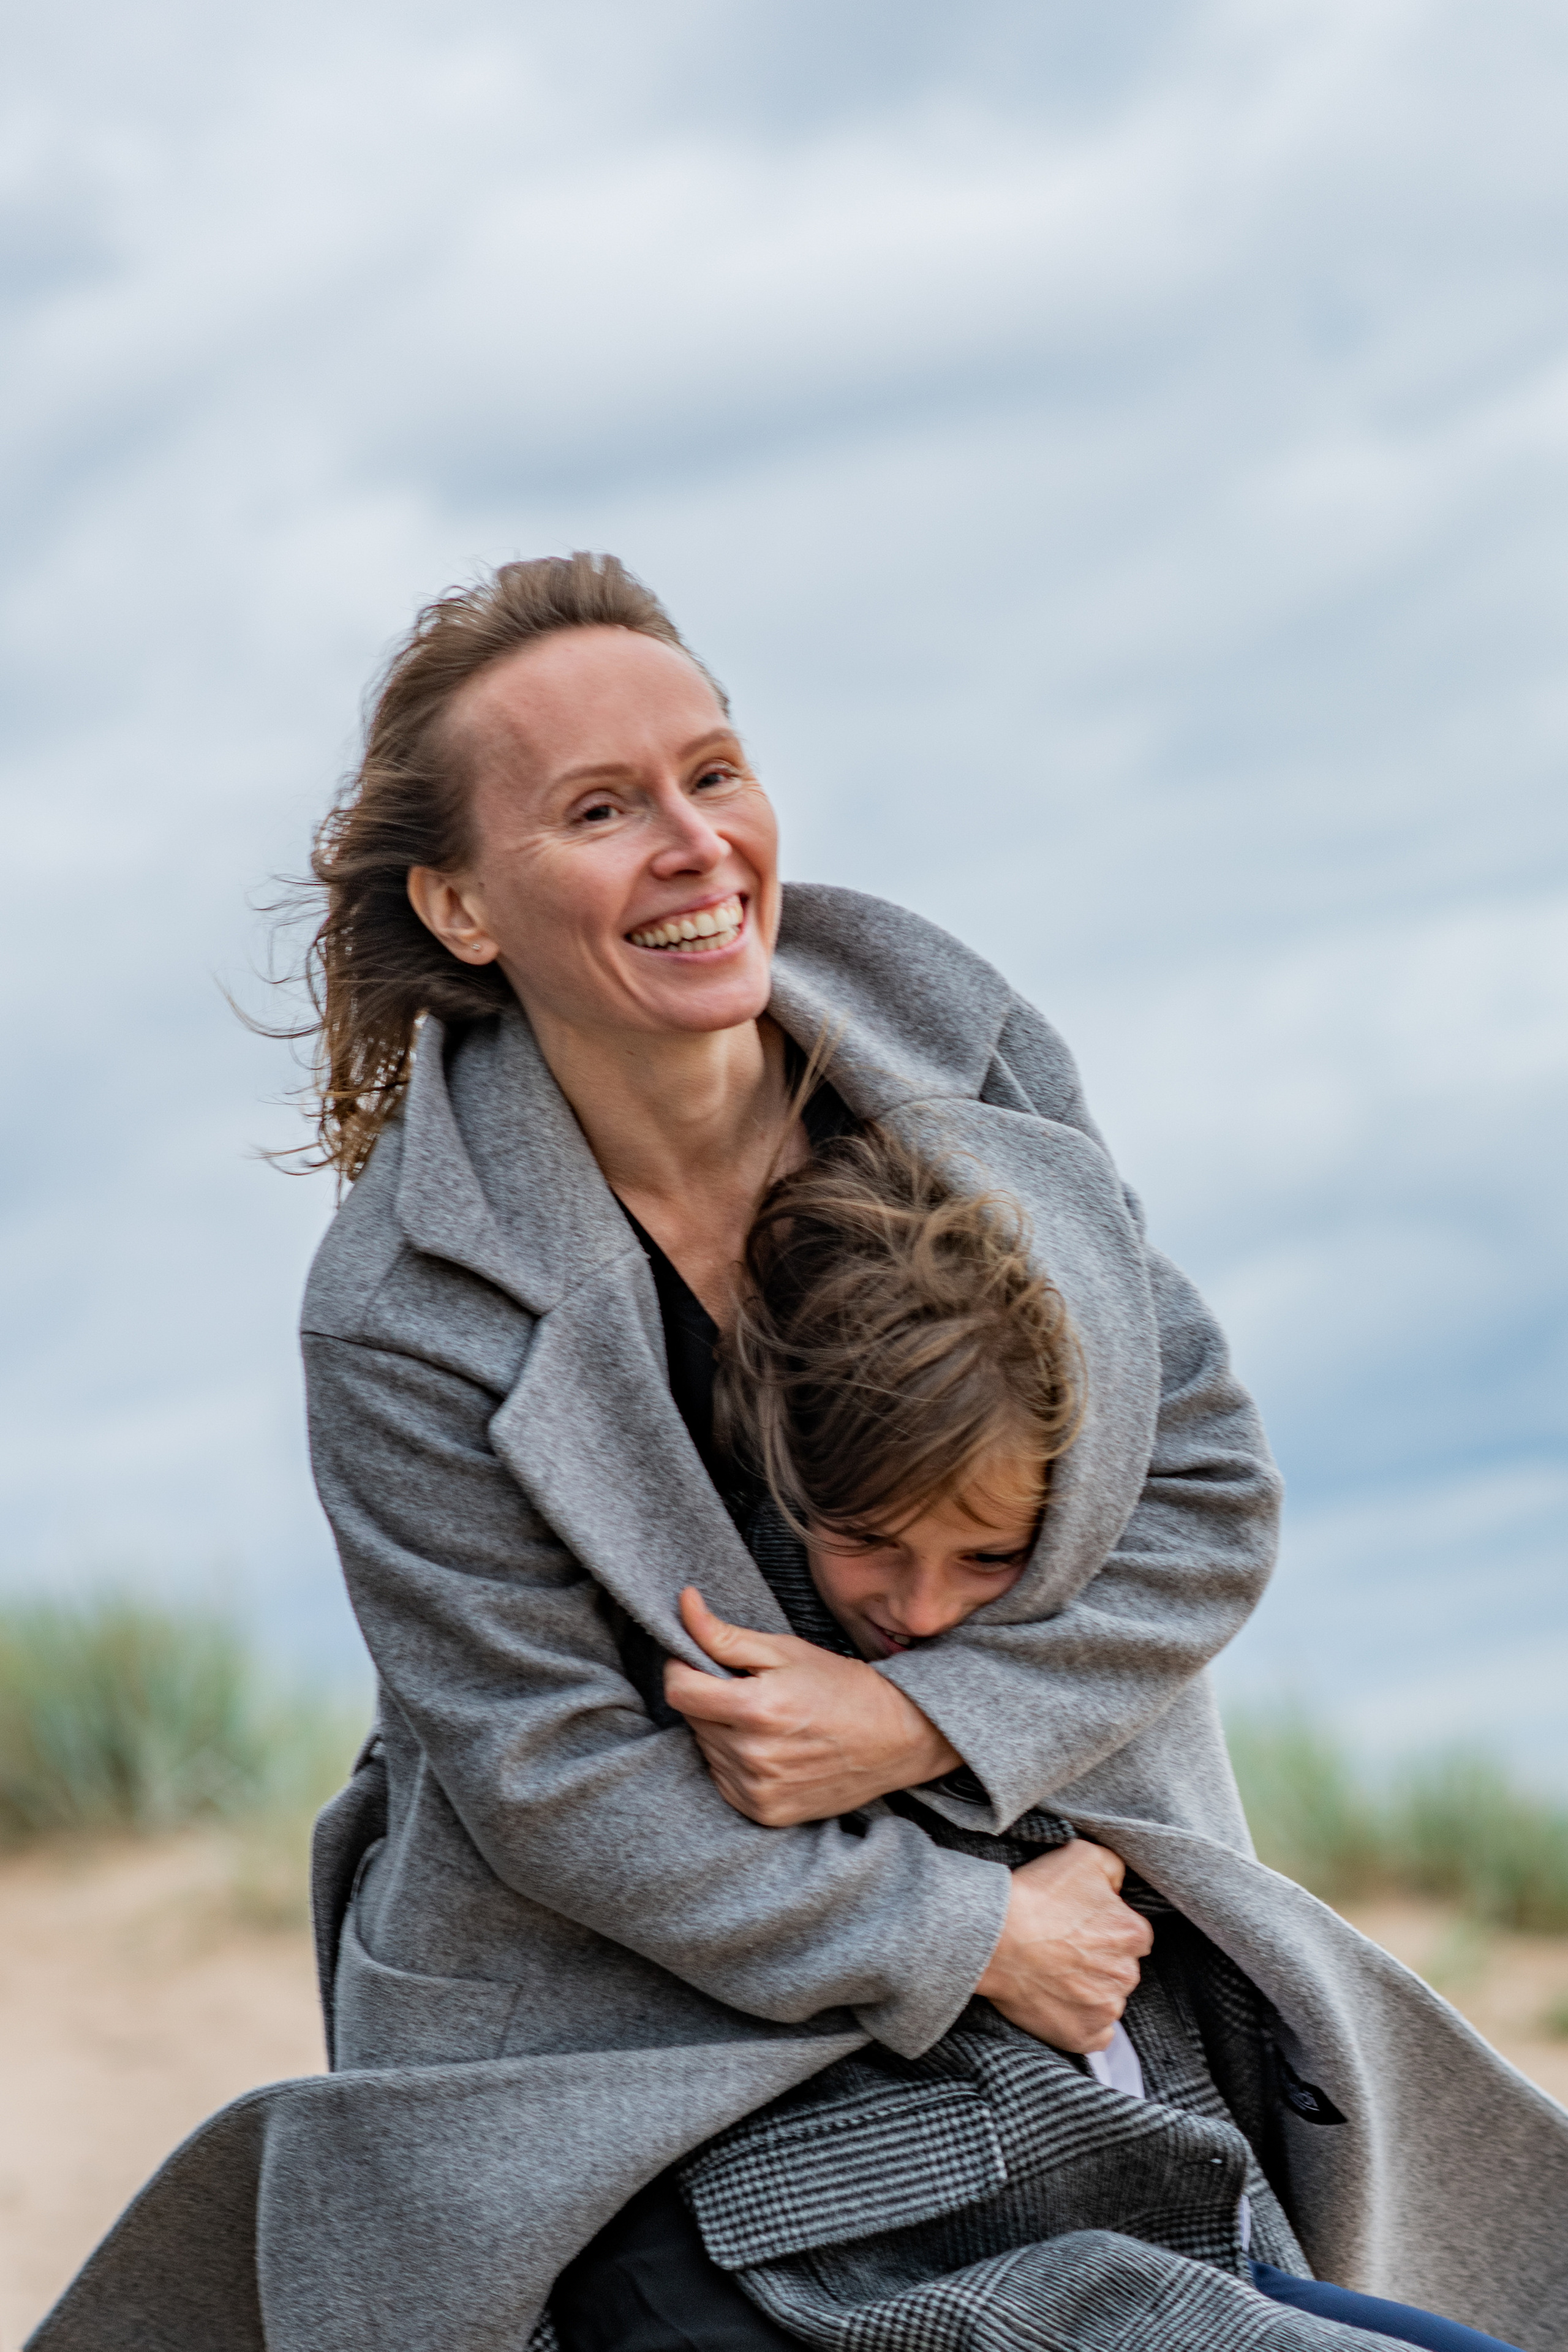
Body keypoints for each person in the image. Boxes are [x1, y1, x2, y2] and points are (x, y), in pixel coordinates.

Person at [27, 554, 1568, 2352]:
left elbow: (1206, 1490)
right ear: (460, 903)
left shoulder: (960, 1064)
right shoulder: (396, 1306)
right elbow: (554, 1785)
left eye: (714, 773)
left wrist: (924, 1725)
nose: (693, 844)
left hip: (1084, 1937)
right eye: (601, 809)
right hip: (638, 2030)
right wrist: (959, 1937)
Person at [549, 1126, 1534, 2352]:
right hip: (935, 2232)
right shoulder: (735, 1660)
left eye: (984, 1555)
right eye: (867, 1539)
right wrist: (989, 1936)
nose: (915, 1608)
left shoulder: (1081, 1627)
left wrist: (917, 1726)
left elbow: (1223, 1509)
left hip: (1168, 2187)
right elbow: (615, 1851)